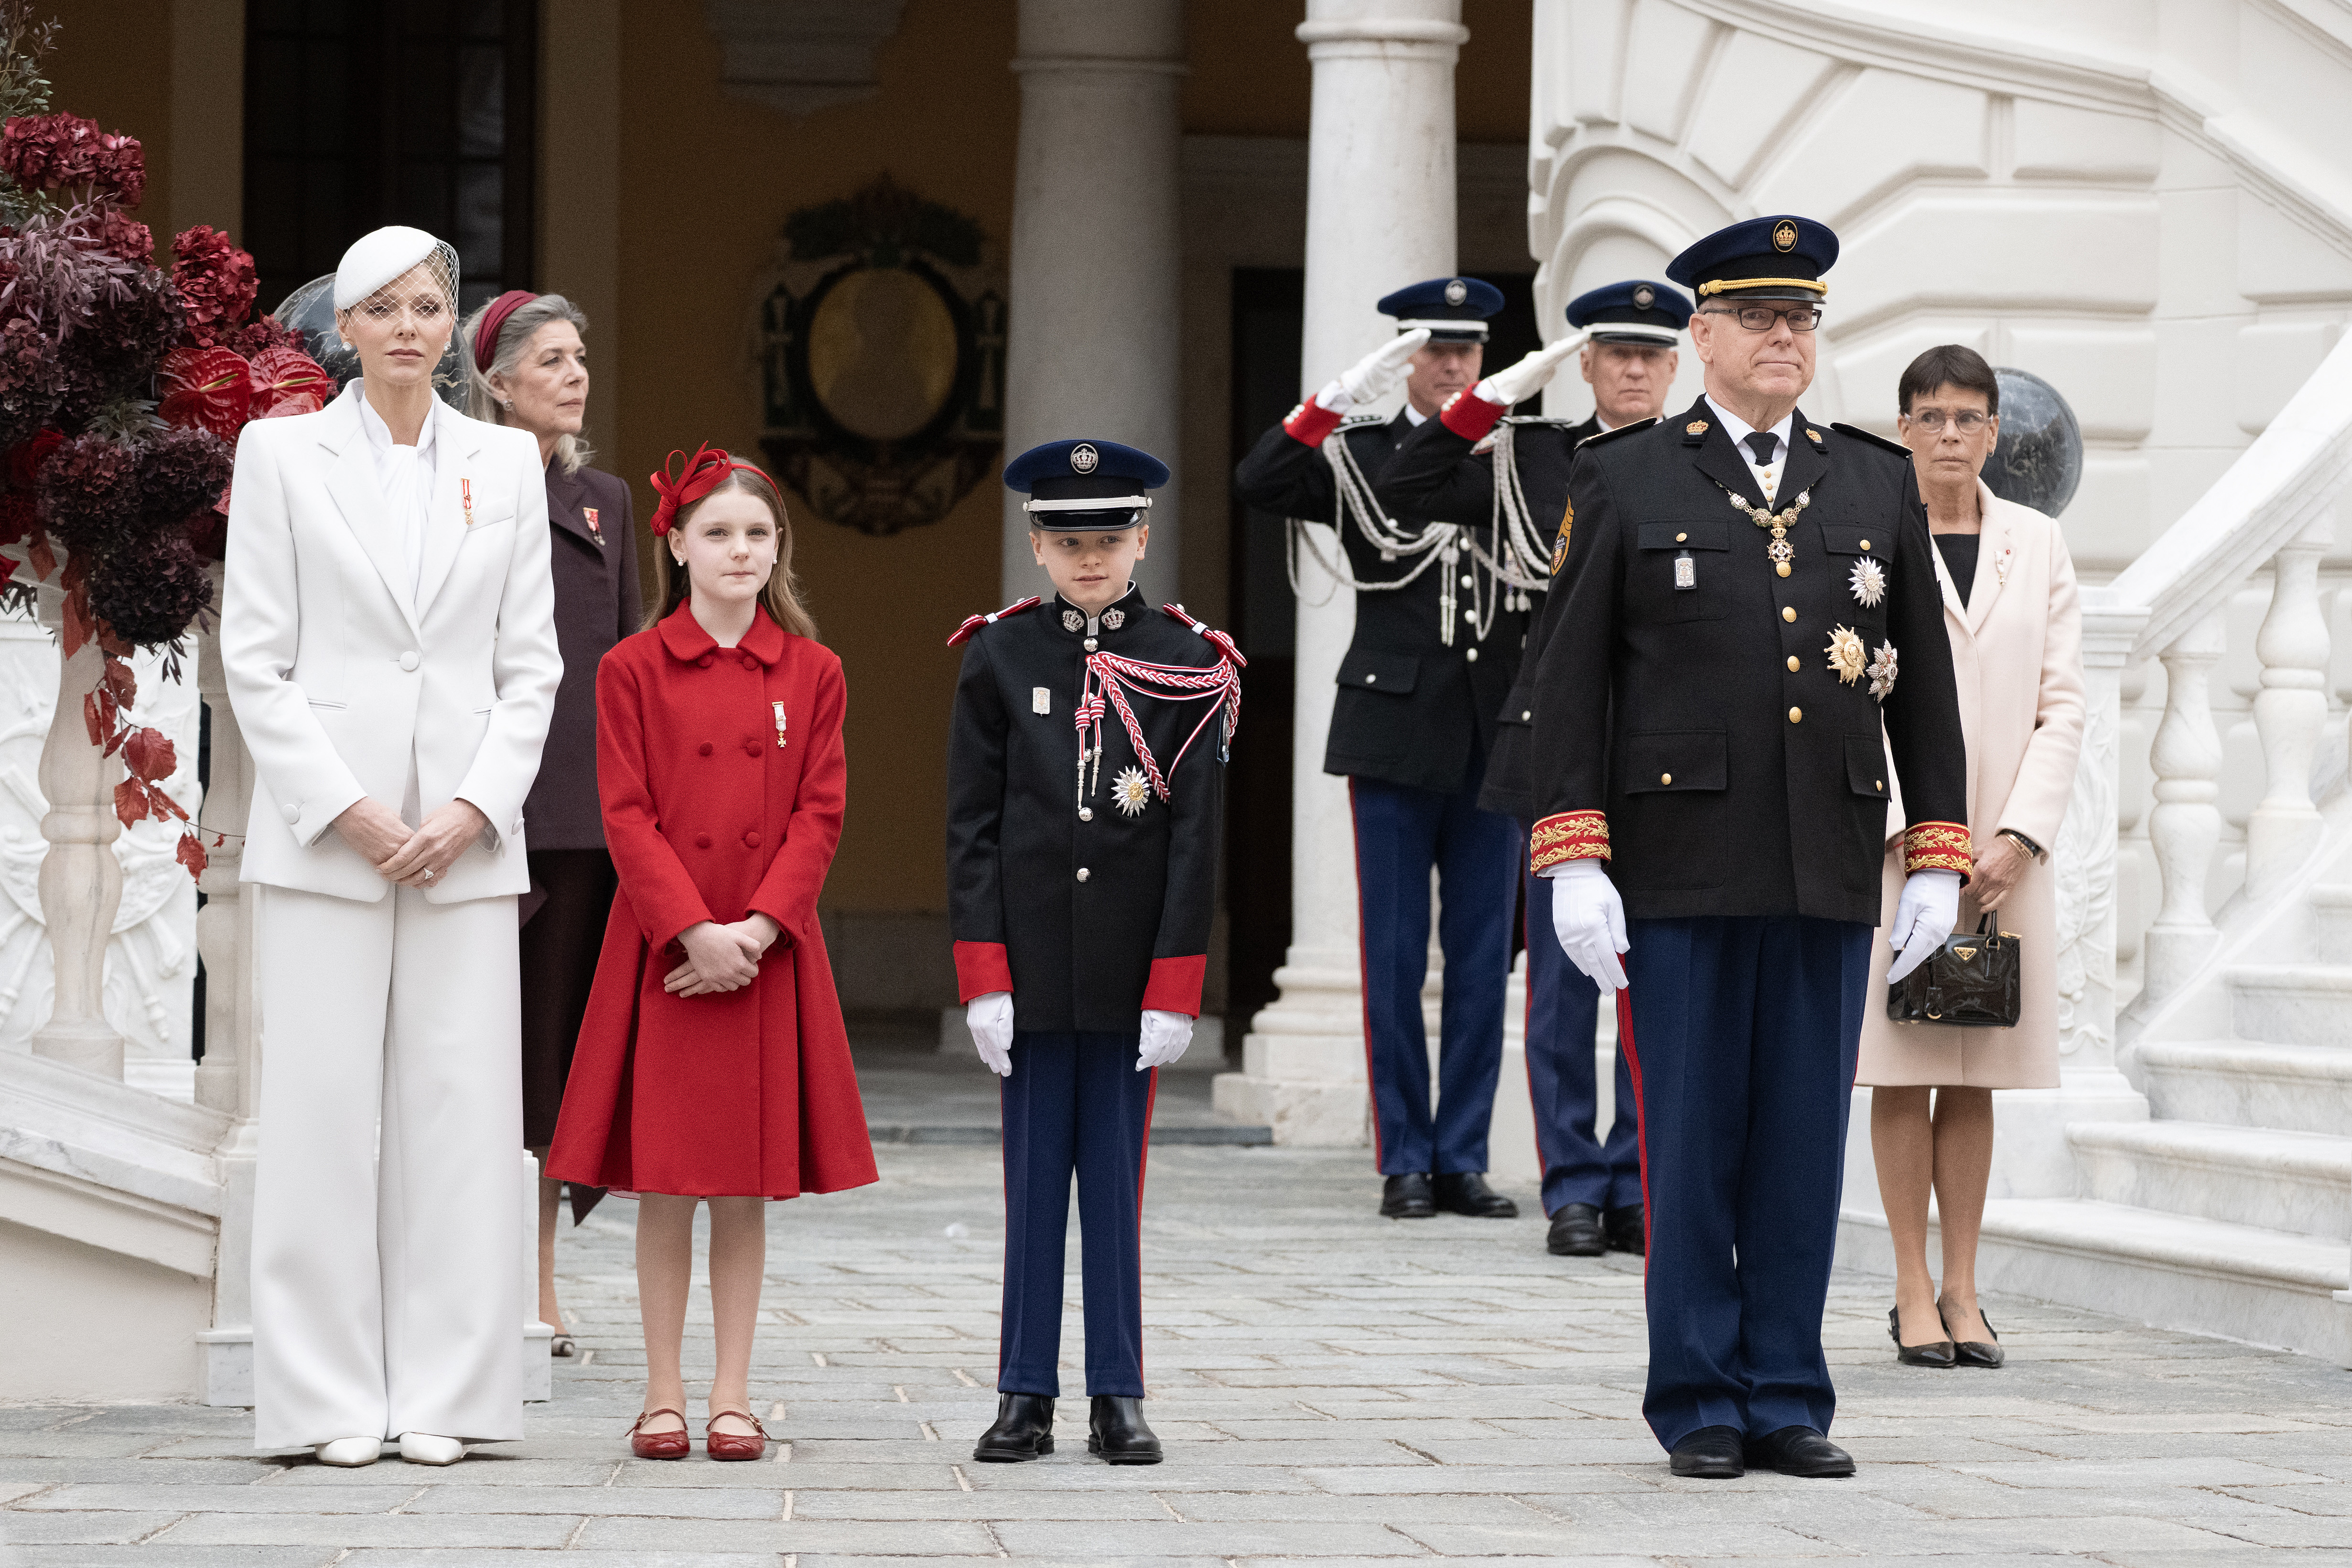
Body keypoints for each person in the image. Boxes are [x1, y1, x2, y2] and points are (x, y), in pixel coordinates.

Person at [1529, 215, 1970, 1480]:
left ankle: (1785, 1392)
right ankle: (1697, 1398)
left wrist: (1936, 851)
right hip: (1677, 862)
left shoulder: (1871, 479)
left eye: (1802, 319)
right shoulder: (1627, 477)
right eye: (1760, 319)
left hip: (1823, 857)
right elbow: (1566, 684)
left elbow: (1923, 688)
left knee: (1797, 1146)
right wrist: (1572, 856)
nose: (1786, 338)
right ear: (1703, 335)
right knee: (1690, 1142)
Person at [222, 225, 563, 1467]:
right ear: (348, 328)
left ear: (448, 327)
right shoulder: (279, 454)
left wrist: (474, 806)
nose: (408, 327)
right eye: (383, 308)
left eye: (427, 306)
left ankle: (450, 1396)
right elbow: (255, 658)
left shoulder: (505, 463)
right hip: (330, 840)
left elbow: (531, 665)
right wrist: (346, 807)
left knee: (462, 1121)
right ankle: (321, 1402)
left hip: (463, 842)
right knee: (319, 1116)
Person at [547, 446, 876, 1461]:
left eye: (758, 533)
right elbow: (625, 812)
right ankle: (663, 1395)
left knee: (741, 1183)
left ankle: (732, 1395)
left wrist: (761, 930)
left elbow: (820, 812)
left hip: (769, 950)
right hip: (665, 951)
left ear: (779, 550)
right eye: (719, 532)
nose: (740, 550)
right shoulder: (630, 668)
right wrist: (691, 929)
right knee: (667, 1180)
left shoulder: (814, 671)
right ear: (678, 545)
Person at [1384, 279, 1691, 1258]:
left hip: (1673, 746)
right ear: (1585, 363)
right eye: (1616, 353)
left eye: (1651, 355)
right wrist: (1498, 392)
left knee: (1656, 975)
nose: (1634, 369)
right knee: (1561, 978)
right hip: (1558, 736)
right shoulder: (1530, 455)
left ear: (1675, 365)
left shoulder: (1700, 459)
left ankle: (1636, 1179)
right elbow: (1409, 486)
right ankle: (1573, 1184)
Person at [948, 439, 1238, 1466]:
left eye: (1108, 539)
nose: (1088, 558)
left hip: (1126, 970)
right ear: (1035, 544)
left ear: (1142, 539)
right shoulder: (998, 655)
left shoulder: (1188, 662)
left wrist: (1176, 984)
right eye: (1067, 541)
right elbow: (972, 827)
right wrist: (982, 975)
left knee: (1114, 1191)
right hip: (1028, 971)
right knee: (1032, 1192)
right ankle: (1023, 1391)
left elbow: (1196, 837)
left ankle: (1118, 1391)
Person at [1232, 278, 1527, 1222]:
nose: (1452, 365)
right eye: (1434, 349)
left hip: (1493, 734)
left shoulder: (1515, 452)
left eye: (1466, 349)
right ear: (1403, 357)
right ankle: (1404, 1154)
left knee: (1482, 960)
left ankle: (1462, 1155)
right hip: (1392, 728)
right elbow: (1259, 482)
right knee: (1393, 957)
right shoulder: (1359, 456)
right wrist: (1327, 404)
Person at [1862, 344, 2084, 1370]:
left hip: (2004, 854)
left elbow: (2062, 704)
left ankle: (1963, 1287)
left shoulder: (2037, 543)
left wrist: (2018, 836)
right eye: (1930, 416)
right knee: (1902, 1066)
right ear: (1902, 428)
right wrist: (1916, 833)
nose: (1948, 434)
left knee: (1974, 1069)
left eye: (1967, 418)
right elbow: (1850, 693)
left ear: (1994, 432)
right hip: (1899, 845)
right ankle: (1910, 1287)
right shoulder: (1868, 534)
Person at [460, 288, 640, 1359]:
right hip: (470, 814)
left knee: (548, 1062)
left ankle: (534, 1284)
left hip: (578, 823)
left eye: (580, 358)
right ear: (498, 382)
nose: (575, 377)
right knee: (463, 1054)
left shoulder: (603, 501)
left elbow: (628, 665)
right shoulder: (454, 487)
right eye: (553, 361)